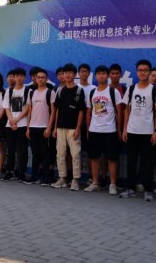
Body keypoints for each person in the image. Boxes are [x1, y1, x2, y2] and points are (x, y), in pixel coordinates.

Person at [121, 60, 156, 202]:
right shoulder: (131, 89)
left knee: (147, 162)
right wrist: (124, 129)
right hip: (132, 131)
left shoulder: (154, 90)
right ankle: (130, 188)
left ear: (149, 72)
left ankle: (148, 190)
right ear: (137, 72)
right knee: (131, 161)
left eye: (145, 70)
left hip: (148, 132)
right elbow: (127, 111)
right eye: (140, 70)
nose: (142, 72)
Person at [85, 65, 124, 196]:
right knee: (94, 157)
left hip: (110, 130)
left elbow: (120, 112)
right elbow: (89, 113)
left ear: (107, 76)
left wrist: (119, 130)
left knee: (111, 159)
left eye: (103, 73)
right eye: (99, 73)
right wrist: (88, 130)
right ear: (95, 76)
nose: (101, 75)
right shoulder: (92, 93)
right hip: (94, 130)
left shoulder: (114, 92)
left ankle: (112, 184)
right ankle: (95, 183)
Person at [52, 63, 86, 191]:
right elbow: (57, 110)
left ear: (75, 74)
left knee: (75, 154)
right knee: (60, 154)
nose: (67, 75)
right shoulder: (60, 91)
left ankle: (75, 180)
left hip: (73, 129)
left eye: (69, 73)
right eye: (65, 72)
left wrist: (78, 128)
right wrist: (55, 127)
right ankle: (62, 179)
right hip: (60, 128)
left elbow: (81, 111)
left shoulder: (79, 91)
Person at [26, 69, 56, 186]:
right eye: (38, 77)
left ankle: (46, 177)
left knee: (45, 153)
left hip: (44, 127)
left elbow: (53, 112)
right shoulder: (31, 93)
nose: (40, 79)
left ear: (47, 79)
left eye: (43, 77)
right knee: (35, 153)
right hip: (33, 127)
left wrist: (49, 128)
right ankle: (34, 176)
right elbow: (29, 111)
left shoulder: (50, 92)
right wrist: (28, 128)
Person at [2, 68, 31, 183]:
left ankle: (21, 172)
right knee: (10, 149)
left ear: (25, 78)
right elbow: (6, 108)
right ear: (13, 77)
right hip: (10, 125)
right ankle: (9, 171)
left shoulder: (28, 91)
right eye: (17, 76)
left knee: (23, 150)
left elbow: (28, 108)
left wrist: (17, 119)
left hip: (22, 124)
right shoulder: (9, 92)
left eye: (21, 76)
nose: (19, 78)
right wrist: (11, 120)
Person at [78, 64, 96, 183]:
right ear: (78, 73)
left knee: (91, 152)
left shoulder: (94, 88)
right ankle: (73, 176)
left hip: (91, 123)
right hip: (76, 124)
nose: (84, 73)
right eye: (82, 71)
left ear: (89, 73)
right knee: (74, 151)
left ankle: (91, 176)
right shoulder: (75, 87)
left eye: (86, 71)